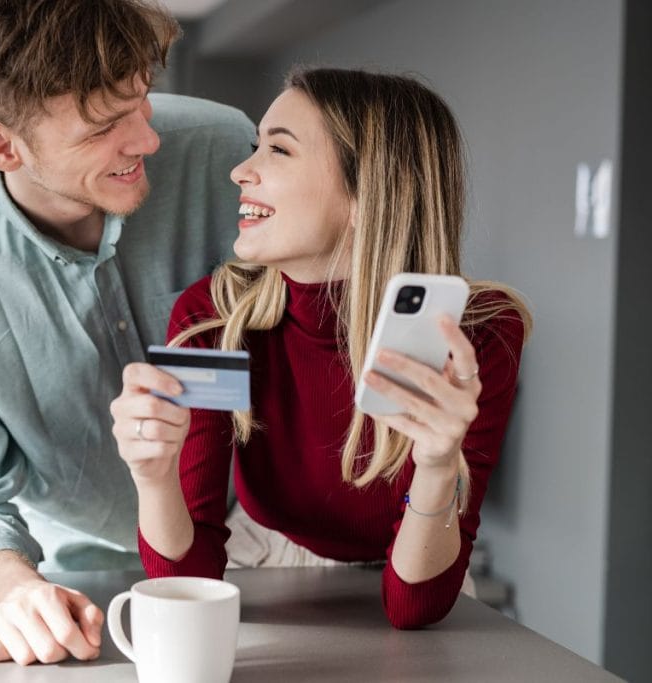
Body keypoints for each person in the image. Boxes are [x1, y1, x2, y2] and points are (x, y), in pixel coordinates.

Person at [0, 0, 254, 667]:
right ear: (1, 144)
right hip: (88, 582)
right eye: (105, 125)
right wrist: (17, 589)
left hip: (270, 551)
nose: (147, 139)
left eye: (142, 99)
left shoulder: (226, 152)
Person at [111, 67, 532, 629]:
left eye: (278, 152)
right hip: (265, 561)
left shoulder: (481, 333)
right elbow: (188, 586)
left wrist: (435, 464)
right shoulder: (213, 316)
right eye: (254, 148)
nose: (241, 171)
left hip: (419, 563)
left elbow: (414, 609)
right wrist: (152, 476)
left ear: (365, 197)